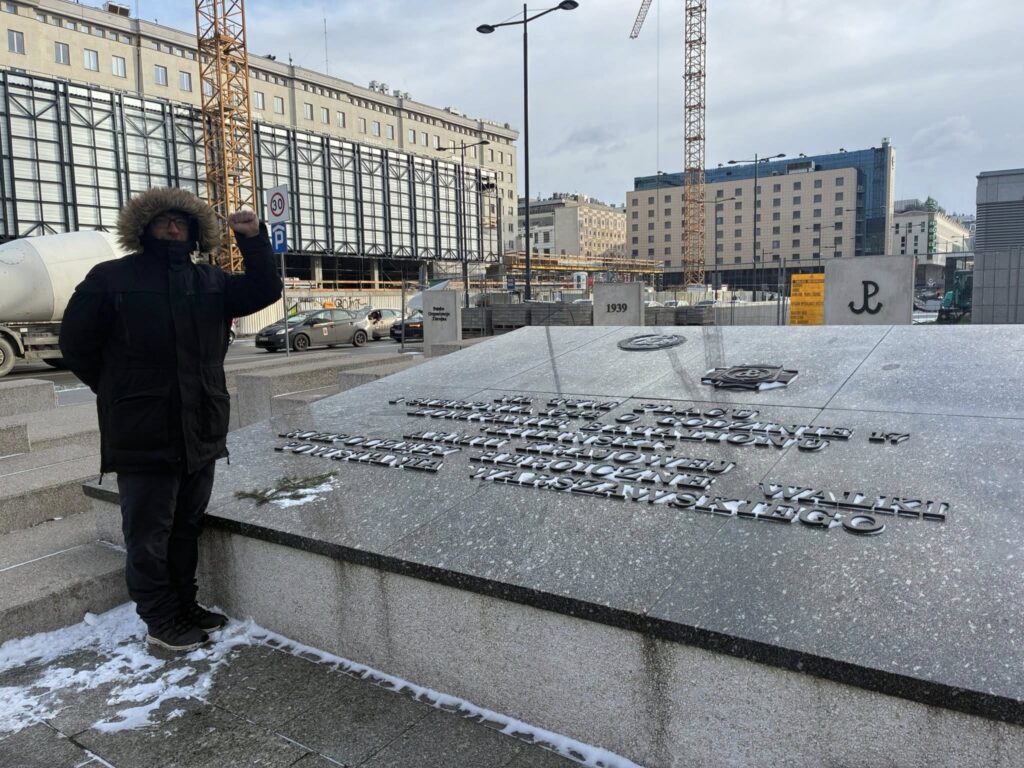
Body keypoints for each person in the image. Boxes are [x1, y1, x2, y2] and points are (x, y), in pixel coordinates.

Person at [60, 188, 283, 651]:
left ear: (196, 231)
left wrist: (253, 238)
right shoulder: (110, 278)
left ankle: (185, 603)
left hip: (201, 427)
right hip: (143, 431)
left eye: (182, 221)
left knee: (186, 525)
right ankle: (160, 618)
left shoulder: (211, 281)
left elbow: (265, 289)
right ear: (143, 228)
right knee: (148, 533)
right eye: (163, 220)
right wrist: (120, 393)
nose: (173, 227)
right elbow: (76, 345)